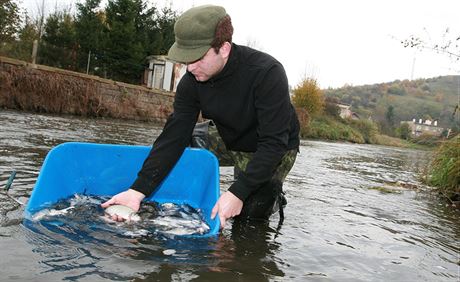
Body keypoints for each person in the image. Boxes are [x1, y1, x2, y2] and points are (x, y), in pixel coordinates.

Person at [101, 5, 300, 228]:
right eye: (186, 60)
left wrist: (237, 193)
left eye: (197, 58)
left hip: (271, 146)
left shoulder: (267, 73)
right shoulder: (191, 82)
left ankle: (271, 199)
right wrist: (137, 191)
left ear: (223, 49)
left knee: (247, 219)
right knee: (183, 142)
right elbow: (174, 136)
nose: (190, 68)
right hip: (228, 136)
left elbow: (273, 143)